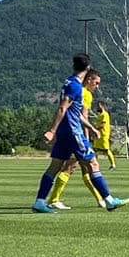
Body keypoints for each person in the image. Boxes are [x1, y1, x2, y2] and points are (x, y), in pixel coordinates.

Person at [33, 54, 129, 213]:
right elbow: (63, 108)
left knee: (55, 166)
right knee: (93, 164)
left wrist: (90, 127)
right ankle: (109, 200)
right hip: (73, 132)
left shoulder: (68, 82)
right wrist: (52, 130)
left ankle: (40, 202)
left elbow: (73, 111)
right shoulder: (76, 86)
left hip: (66, 131)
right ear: (88, 68)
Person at [45, 69, 106, 209]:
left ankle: (100, 199)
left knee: (82, 168)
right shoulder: (85, 93)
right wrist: (86, 138)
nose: (97, 87)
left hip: (68, 133)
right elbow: (82, 116)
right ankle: (53, 199)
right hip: (76, 136)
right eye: (96, 83)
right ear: (89, 79)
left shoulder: (76, 89)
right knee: (73, 167)